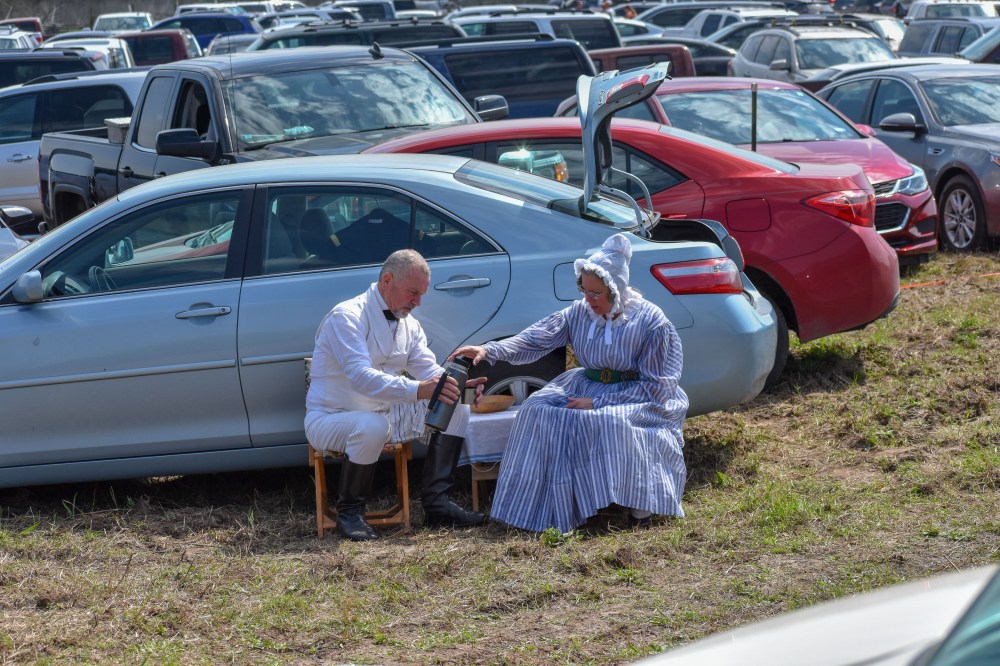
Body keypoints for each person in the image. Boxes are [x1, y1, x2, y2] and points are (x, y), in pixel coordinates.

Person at [450, 234, 688, 534]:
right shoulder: (580, 312)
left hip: (636, 395)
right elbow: (536, 338)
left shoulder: (650, 321)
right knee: (535, 410)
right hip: (584, 385)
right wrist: (488, 350)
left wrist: (599, 403)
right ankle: (549, 505)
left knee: (606, 422)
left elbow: (659, 387)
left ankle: (635, 506)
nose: (588, 299)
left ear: (616, 289)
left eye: (596, 293)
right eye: (584, 290)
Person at [305, 249, 487, 541]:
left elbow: (429, 370)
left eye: (421, 295)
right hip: (331, 417)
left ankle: (437, 505)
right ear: (387, 279)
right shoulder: (346, 317)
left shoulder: (409, 324)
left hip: (386, 413)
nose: (417, 302)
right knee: (372, 426)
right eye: (413, 292)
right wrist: (419, 389)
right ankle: (349, 513)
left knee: (456, 404)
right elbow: (361, 377)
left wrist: (457, 384)